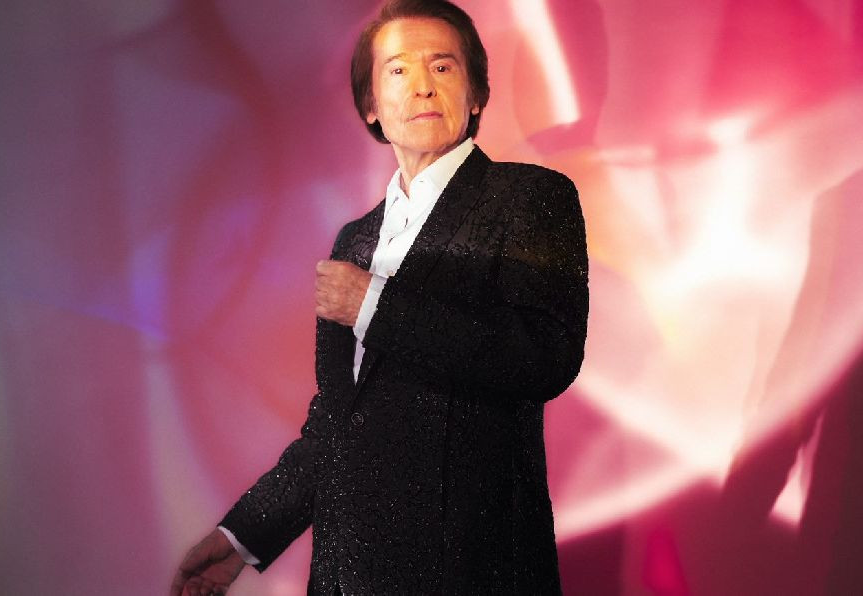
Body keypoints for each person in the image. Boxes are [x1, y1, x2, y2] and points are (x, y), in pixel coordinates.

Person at [170, 1, 588, 594]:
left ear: (475, 94)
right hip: (347, 573)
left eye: (442, 67)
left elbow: (544, 355)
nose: (422, 85)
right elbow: (337, 422)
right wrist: (243, 537)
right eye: (398, 70)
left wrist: (377, 305)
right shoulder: (355, 240)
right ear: (371, 105)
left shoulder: (529, 198)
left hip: (470, 569)